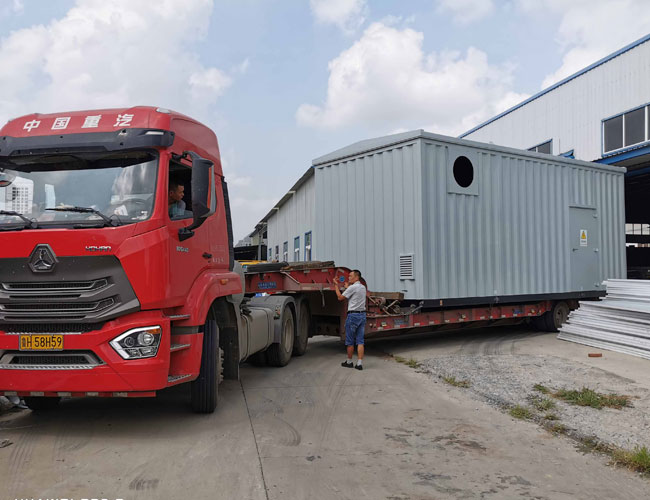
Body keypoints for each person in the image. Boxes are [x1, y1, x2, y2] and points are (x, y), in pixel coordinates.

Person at [332, 269, 367, 370]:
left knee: (350, 341)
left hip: (353, 316)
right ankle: (359, 364)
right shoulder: (362, 287)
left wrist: (335, 285)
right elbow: (354, 293)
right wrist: (348, 287)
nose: (348, 277)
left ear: (356, 277)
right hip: (362, 315)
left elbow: (340, 297)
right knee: (360, 341)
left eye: (350, 276)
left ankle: (349, 361)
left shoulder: (352, 288)